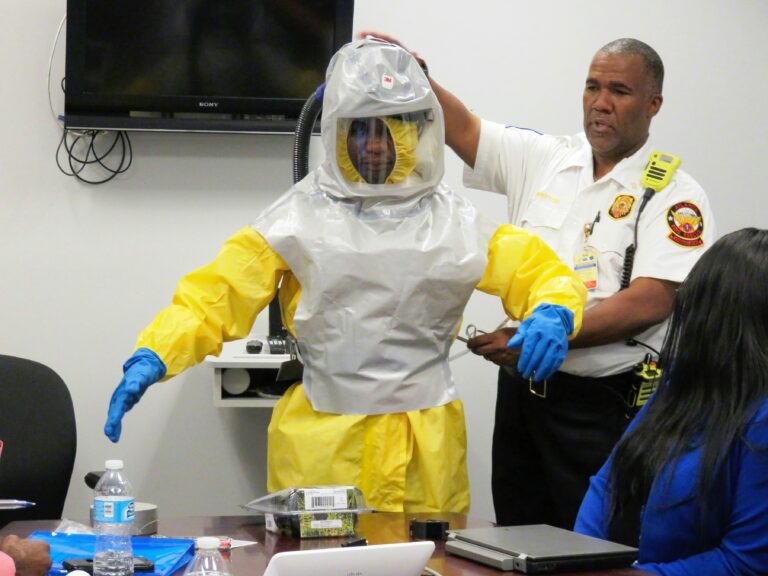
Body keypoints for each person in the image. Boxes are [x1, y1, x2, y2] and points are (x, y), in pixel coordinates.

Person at [103, 38, 587, 514]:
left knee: (426, 566)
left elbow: (537, 270)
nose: (373, 145)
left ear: (417, 131)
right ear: (336, 133)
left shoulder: (455, 223)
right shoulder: (296, 218)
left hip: (425, 449)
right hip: (323, 446)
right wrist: (154, 354)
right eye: (359, 129)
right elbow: (215, 295)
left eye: (389, 128)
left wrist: (553, 309)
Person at [361, 32, 716, 528]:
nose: (601, 103)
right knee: (516, 537)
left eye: (619, 91)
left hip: (601, 407)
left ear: (654, 104)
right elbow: (460, 128)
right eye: (592, 87)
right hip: (522, 398)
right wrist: (415, 73)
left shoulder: (674, 194)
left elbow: (651, 300)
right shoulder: (547, 159)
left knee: (594, 544)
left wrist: (553, 333)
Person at [575, 228, 768, 575]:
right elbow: (607, 484)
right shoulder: (682, 382)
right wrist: (581, 561)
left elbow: (747, 562)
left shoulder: (762, 418)